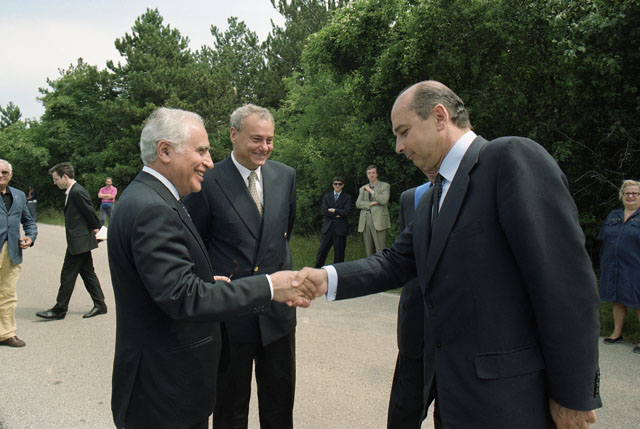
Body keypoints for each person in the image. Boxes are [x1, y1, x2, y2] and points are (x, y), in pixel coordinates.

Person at [294, 81, 602, 428]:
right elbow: (395, 262)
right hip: (454, 399)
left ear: (440, 117)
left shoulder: (508, 159)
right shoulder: (432, 198)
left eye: (404, 132)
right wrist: (324, 279)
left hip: (510, 402)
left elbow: (565, 282)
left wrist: (574, 394)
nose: (399, 147)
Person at [107, 107, 310, 429]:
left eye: (269, 139)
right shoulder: (153, 208)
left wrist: (205, 279)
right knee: (231, 409)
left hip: (260, 328)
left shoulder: (148, 199)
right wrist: (269, 286)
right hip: (166, 387)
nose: (209, 161)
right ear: (165, 151)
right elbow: (183, 294)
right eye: (201, 151)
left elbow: (175, 272)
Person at [184, 104, 298, 429]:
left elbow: (282, 233)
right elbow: (195, 245)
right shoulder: (207, 180)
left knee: (279, 406)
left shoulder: (285, 176)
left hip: (277, 312)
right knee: (230, 409)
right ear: (233, 135)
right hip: (231, 315)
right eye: (256, 139)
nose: (264, 147)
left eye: (269, 140)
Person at [387, 174, 434, 429]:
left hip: (460, 338)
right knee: (403, 414)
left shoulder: (480, 190)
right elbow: (402, 260)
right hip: (415, 326)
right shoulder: (410, 198)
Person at [36, 162, 107, 320]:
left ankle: (59, 310)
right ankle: (100, 305)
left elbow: (89, 212)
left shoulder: (77, 192)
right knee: (88, 273)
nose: (54, 183)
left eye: (56, 179)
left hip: (80, 241)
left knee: (67, 275)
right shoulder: (73, 191)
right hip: (79, 240)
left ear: (65, 177)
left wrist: (98, 229)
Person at [599, 179, 640, 354]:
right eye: (627, 193)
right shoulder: (613, 215)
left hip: (635, 266)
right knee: (617, 299)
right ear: (622, 195)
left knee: (639, 302)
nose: (630, 196)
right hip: (613, 265)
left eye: (635, 193)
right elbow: (603, 238)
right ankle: (616, 333)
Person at [0, 160, 37, 348]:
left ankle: (6, 333)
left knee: (8, 294)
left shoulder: (19, 195)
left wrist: (30, 237)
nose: (1, 176)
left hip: (12, 252)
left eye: (4, 172)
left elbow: (28, 221)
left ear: (11, 175)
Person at [314, 176, 352, 268]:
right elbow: (324, 211)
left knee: (339, 254)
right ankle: (316, 271)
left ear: (343, 185)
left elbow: (346, 212)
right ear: (332, 185)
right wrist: (338, 213)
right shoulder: (327, 196)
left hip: (340, 230)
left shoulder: (347, 197)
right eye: (335, 184)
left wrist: (334, 210)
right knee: (322, 251)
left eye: (339, 184)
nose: (337, 186)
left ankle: (338, 273)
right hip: (328, 228)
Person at [356, 165, 390, 256]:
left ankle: (382, 265)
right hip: (365, 219)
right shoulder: (362, 188)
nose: (371, 175)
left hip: (379, 220)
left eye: (373, 173)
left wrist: (371, 191)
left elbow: (384, 200)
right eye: (369, 173)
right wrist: (371, 203)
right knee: (369, 250)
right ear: (367, 175)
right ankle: (370, 265)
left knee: (380, 249)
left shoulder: (385, 186)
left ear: (377, 174)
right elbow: (358, 204)